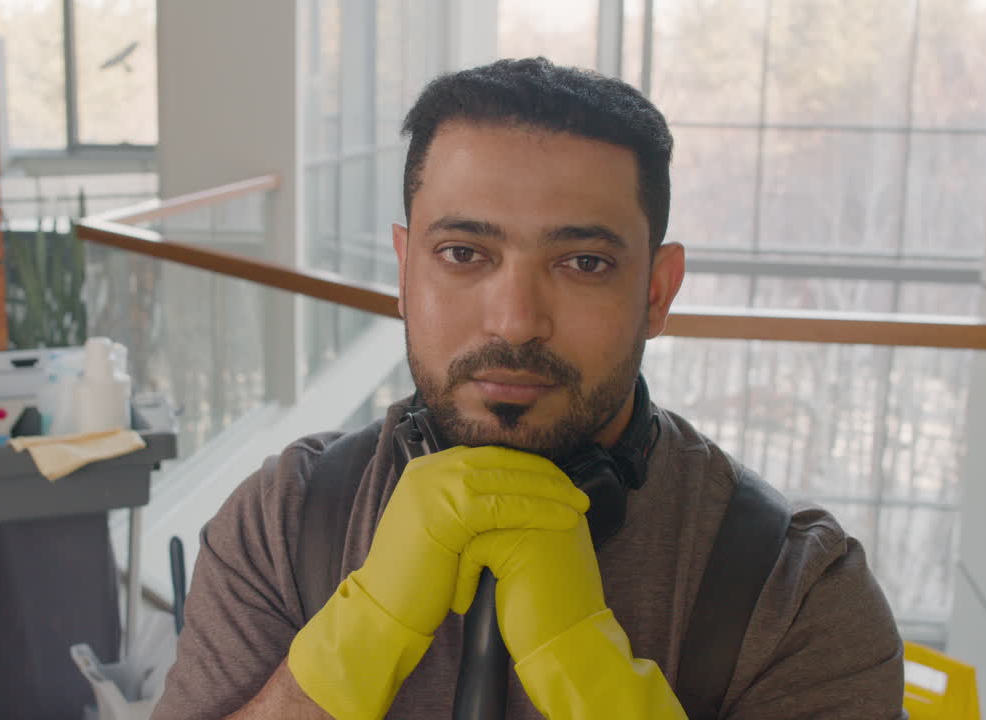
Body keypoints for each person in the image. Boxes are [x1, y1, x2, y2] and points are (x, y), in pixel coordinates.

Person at [150, 58, 906, 719]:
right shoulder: (285, 522)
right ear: (405, 270)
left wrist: (593, 679)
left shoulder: (797, 590)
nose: (515, 320)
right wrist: (355, 644)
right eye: (462, 252)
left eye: (583, 263)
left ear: (657, 290)